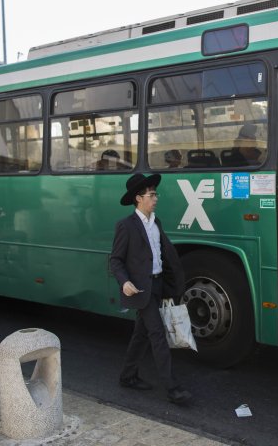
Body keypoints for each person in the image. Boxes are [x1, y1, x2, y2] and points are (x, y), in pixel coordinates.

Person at [110, 173, 192, 404]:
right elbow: (115, 260)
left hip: (157, 285)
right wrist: (124, 282)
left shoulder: (156, 223)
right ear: (138, 198)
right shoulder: (126, 226)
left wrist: (173, 283)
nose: (156, 198)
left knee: (141, 334)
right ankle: (173, 388)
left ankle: (127, 376)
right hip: (140, 290)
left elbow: (164, 256)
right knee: (157, 335)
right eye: (151, 194)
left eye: (155, 194)